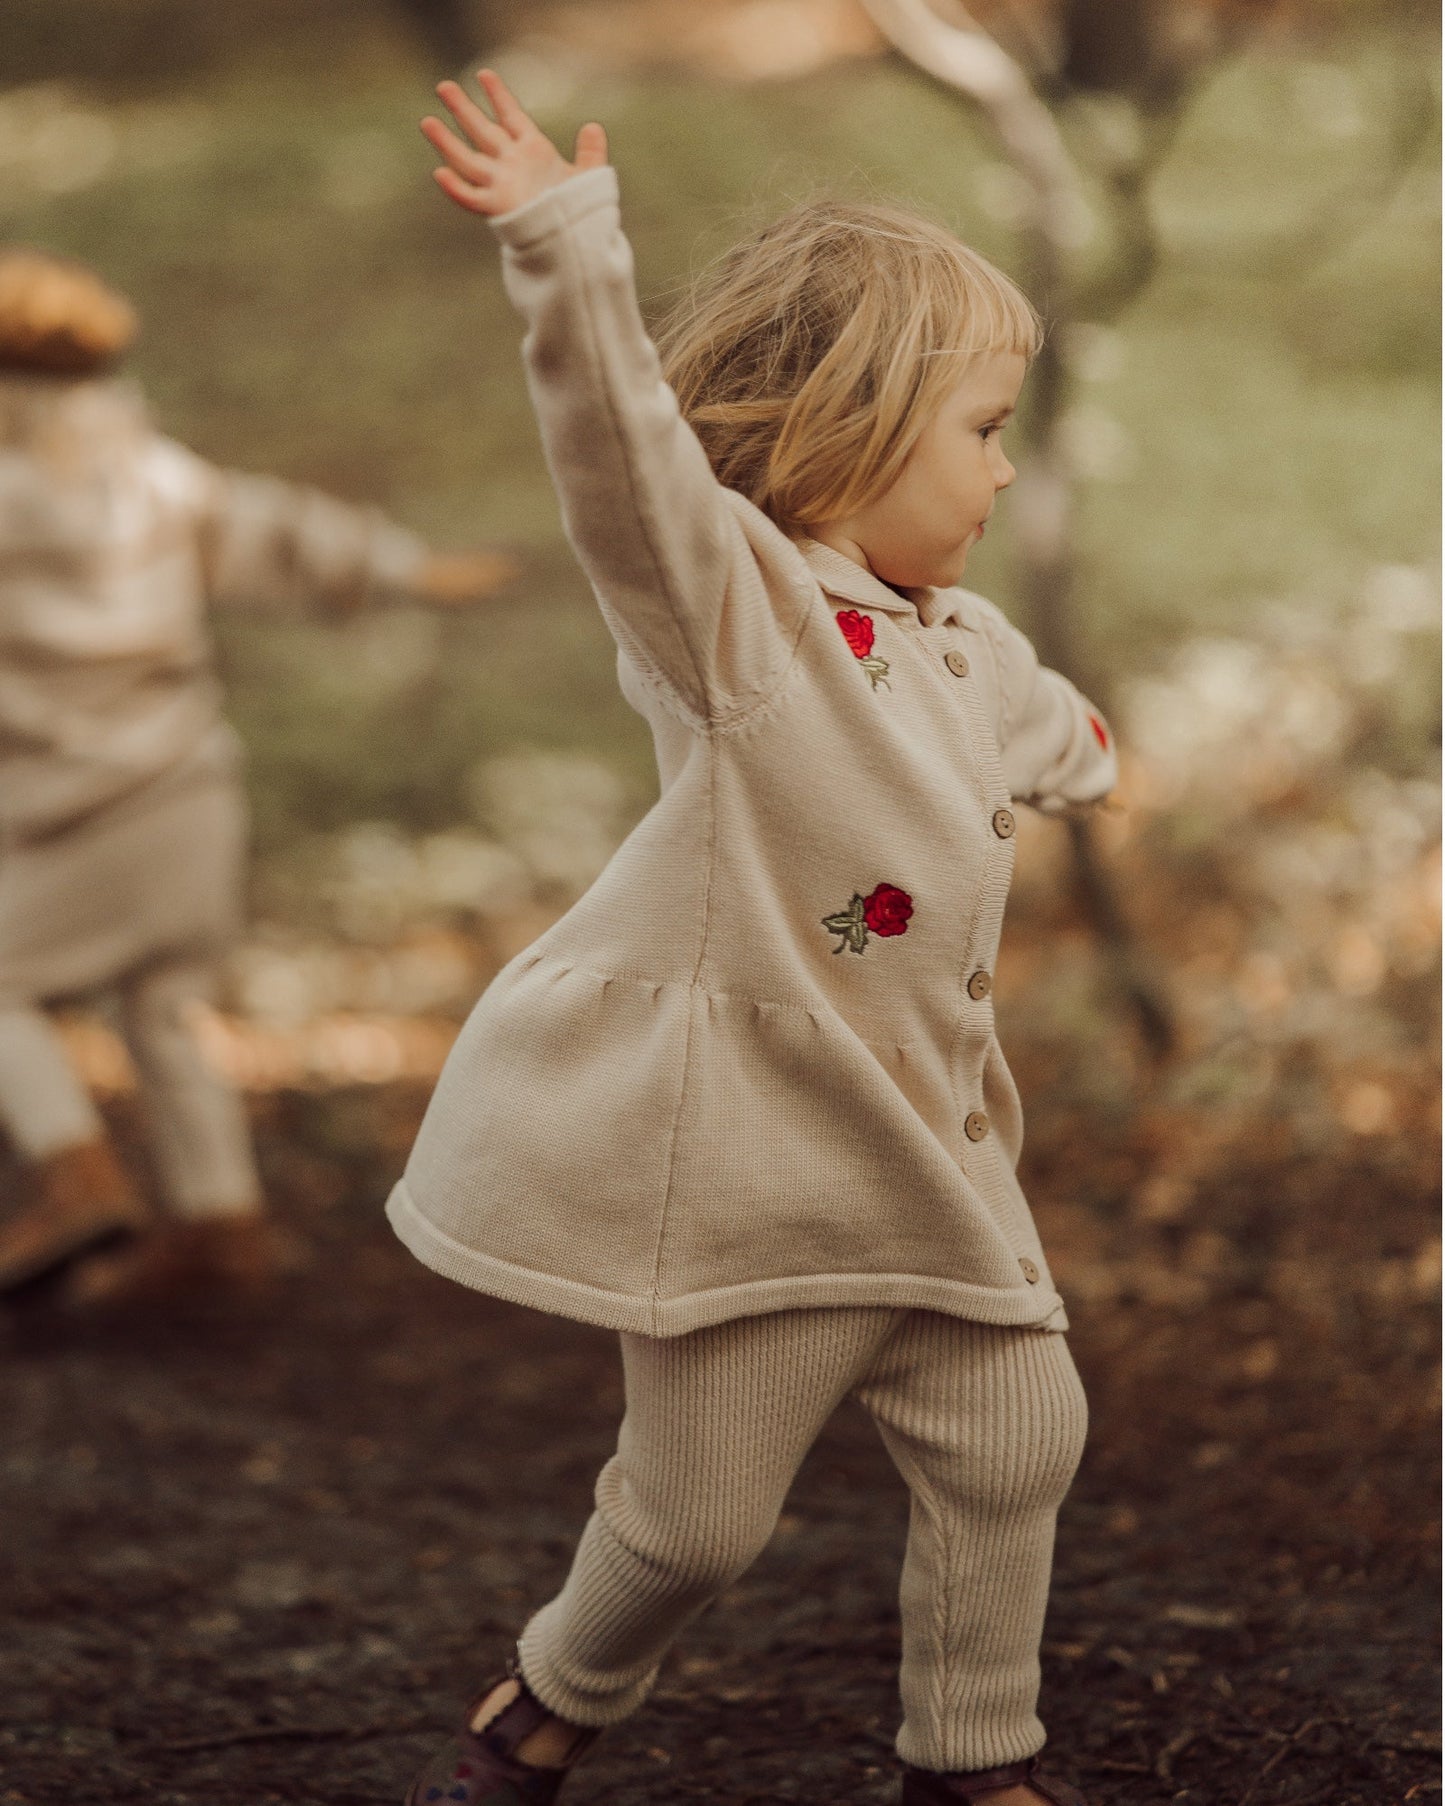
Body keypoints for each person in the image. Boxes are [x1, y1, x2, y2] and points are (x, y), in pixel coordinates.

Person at [390, 71, 1119, 1806]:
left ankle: (972, 1756)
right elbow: (622, 466)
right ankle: (561, 1683)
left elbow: (1042, 731)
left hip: (936, 1156)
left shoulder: (971, 641)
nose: (1009, 470)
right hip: (757, 1169)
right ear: (855, 428)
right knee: (702, 1520)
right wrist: (566, 257)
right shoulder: (742, 619)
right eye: (984, 427)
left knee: (1026, 1436)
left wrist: (1091, 761)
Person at [0, 246, 516, 1308]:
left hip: (69, 808)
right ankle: (218, 1223)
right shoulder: (146, 478)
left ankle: (74, 1174)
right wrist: (407, 567)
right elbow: (274, 527)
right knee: (165, 1004)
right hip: (186, 792)